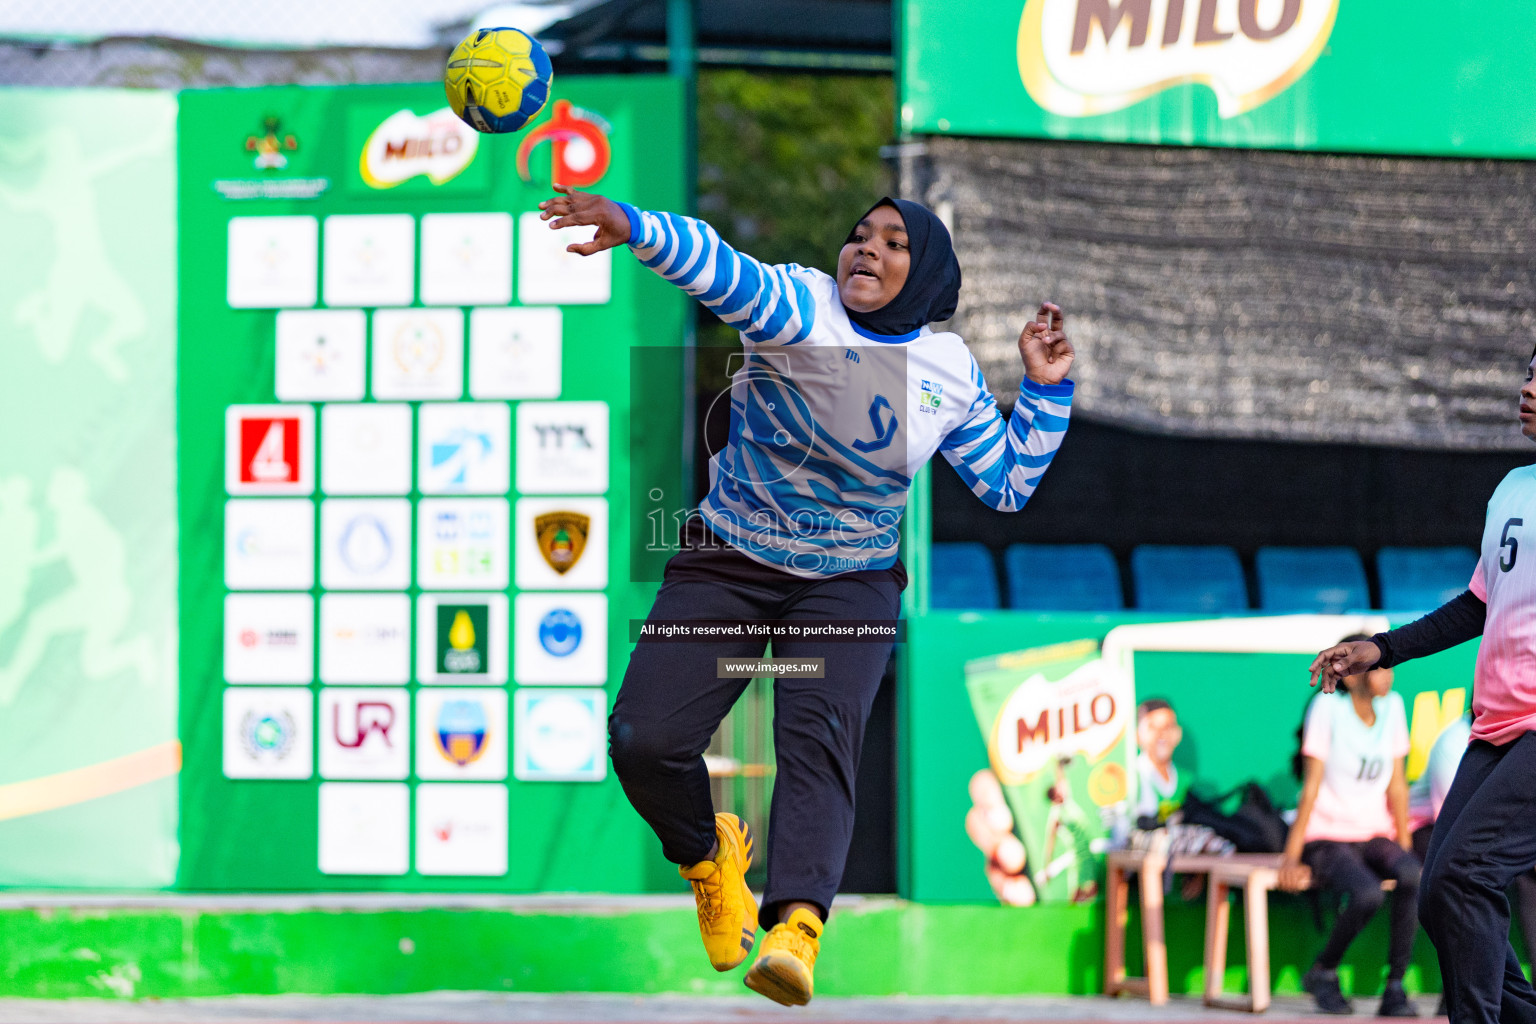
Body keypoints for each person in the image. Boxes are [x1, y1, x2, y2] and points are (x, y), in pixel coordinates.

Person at [539, 184, 1076, 1005]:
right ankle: (709, 858)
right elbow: (715, 264)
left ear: (927, 273)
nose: (867, 249)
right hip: (729, 562)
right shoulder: (797, 305)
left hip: (848, 582)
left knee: (818, 738)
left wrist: (1043, 390)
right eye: (860, 235)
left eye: (895, 242)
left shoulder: (949, 371)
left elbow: (1004, 485)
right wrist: (635, 227)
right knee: (643, 740)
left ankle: (796, 928)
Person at [1311, 347, 1536, 1024]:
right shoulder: (1513, 491)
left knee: (1466, 877)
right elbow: (1478, 605)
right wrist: (1382, 648)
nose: (1526, 388)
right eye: (1528, 372)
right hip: (1494, 729)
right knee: (1440, 890)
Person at [1283, 634, 1420, 1017]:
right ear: (1349, 674)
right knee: (1367, 894)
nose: (1388, 674)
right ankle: (1323, 971)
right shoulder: (1327, 711)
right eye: (1379, 666)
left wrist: (1405, 846)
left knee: (1413, 875)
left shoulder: (1393, 706)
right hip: (1327, 836)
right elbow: (1310, 790)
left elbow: (1397, 785)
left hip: (1374, 832)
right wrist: (1291, 857)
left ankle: (1395, 987)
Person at [1134, 698, 1188, 826]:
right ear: (1137, 735)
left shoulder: (1186, 780)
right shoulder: (1130, 778)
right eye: (1153, 727)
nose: (1161, 734)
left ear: (1178, 733)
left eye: (1167, 726)